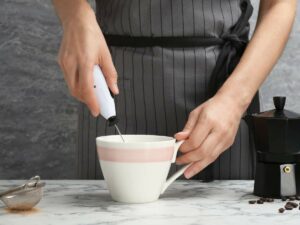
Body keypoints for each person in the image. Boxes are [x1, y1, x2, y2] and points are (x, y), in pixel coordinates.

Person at [52, 0, 296, 180]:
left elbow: (280, 4)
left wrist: (234, 101)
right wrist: (75, 14)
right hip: (114, 84)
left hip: (222, 100)